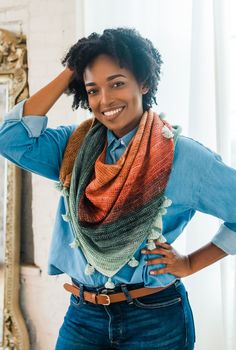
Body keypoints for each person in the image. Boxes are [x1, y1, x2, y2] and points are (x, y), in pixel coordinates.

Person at [0, 27, 236, 350]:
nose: (105, 100)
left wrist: (190, 264)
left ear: (144, 82)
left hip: (154, 318)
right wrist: (74, 66)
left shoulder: (180, 156)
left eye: (117, 84)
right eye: (93, 89)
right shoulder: (74, 147)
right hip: (82, 317)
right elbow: (10, 137)